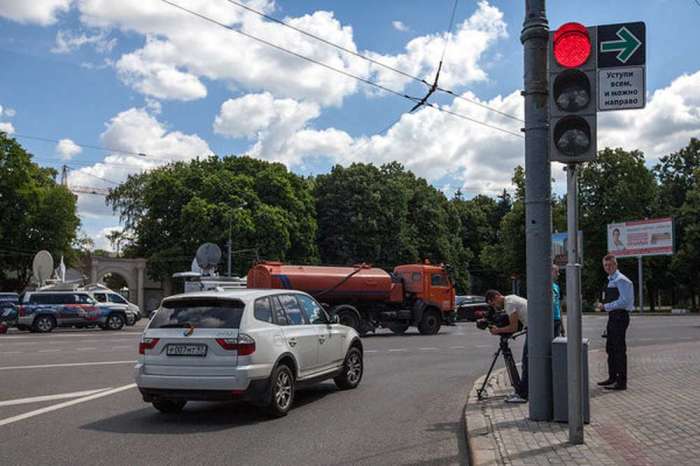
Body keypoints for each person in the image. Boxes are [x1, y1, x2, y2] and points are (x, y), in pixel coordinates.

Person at [595, 254, 634, 390]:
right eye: (605, 265)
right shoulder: (611, 280)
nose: (608, 267)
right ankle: (612, 378)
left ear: (616, 265)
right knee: (610, 348)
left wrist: (606, 306)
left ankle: (621, 382)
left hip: (620, 316)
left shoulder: (621, 280)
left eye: (610, 265)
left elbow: (624, 301)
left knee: (618, 350)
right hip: (613, 316)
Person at [485, 290, 528, 403]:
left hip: (533, 330)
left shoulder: (509, 304)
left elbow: (513, 327)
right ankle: (522, 391)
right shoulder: (511, 297)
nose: (496, 307)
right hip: (531, 328)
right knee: (527, 362)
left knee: (527, 363)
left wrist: (497, 330)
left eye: (494, 304)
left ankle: (523, 394)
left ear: (497, 297)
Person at [552, 264, 565, 338]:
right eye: (556, 272)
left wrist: (562, 326)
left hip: (557, 319)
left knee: (555, 344)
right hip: (548, 320)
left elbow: (559, 306)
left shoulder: (557, 286)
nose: (558, 274)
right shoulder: (544, 285)